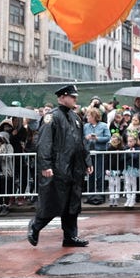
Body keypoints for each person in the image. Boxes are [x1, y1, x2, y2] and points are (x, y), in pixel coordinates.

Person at [27, 84, 93, 248]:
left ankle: (70, 236)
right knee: (53, 202)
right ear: (62, 97)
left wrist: (87, 161)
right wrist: (45, 165)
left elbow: (81, 142)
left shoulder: (76, 118)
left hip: (74, 168)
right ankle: (35, 226)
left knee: (73, 204)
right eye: (72, 96)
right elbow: (44, 143)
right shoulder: (52, 117)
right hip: (58, 168)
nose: (75, 99)